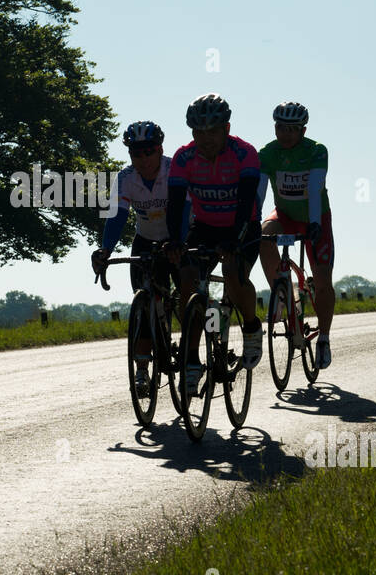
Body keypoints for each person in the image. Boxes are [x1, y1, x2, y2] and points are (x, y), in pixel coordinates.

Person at [164, 93, 264, 391]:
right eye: (199, 132)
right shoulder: (184, 157)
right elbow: (175, 204)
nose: (205, 138)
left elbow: (247, 200)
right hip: (205, 226)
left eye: (213, 131)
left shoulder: (245, 153)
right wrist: (173, 240)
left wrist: (234, 239)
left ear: (227, 128)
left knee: (233, 273)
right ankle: (192, 360)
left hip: (242, 226)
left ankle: (250, 326)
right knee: (187, 280)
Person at [91, 121, 184, 389]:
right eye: (135, 153)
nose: (143, 159)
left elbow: (186, 209)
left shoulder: (173, 170)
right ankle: (142, 370)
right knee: (143, 306)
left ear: (160, 149)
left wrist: (178, 242)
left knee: (186, 296)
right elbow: (117, 216)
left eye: (149, 151)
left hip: (177, 238)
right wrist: (105, 250)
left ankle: (190, 352)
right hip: (145, 241)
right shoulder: (125, 178)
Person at [257, 102, 336, 369]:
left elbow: (315, 189)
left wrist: (314, 223)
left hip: (316, 218)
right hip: (285, 216)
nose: (286, 134)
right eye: (280, 127)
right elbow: (259, 194)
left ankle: (323, 338)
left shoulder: (316, 151)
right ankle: (282, 294)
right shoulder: (267, 153)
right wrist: (250, 220)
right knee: (262, 235)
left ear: (303, 130)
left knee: (323, 279)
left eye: (292, 129)